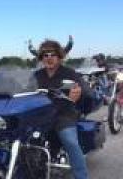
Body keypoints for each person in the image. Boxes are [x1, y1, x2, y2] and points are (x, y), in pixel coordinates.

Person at [34, 40, 91, 179]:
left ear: (59, 56)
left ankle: (81, 176)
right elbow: (22, 89)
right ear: (41, 58)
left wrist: (78, 93)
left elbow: (84, 89)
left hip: (64, 114)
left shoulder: (69, 73)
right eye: (45, 55)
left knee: (70, 141)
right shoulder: (37, 75)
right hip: (40, 115)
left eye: (53, 54)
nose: (49, 58)